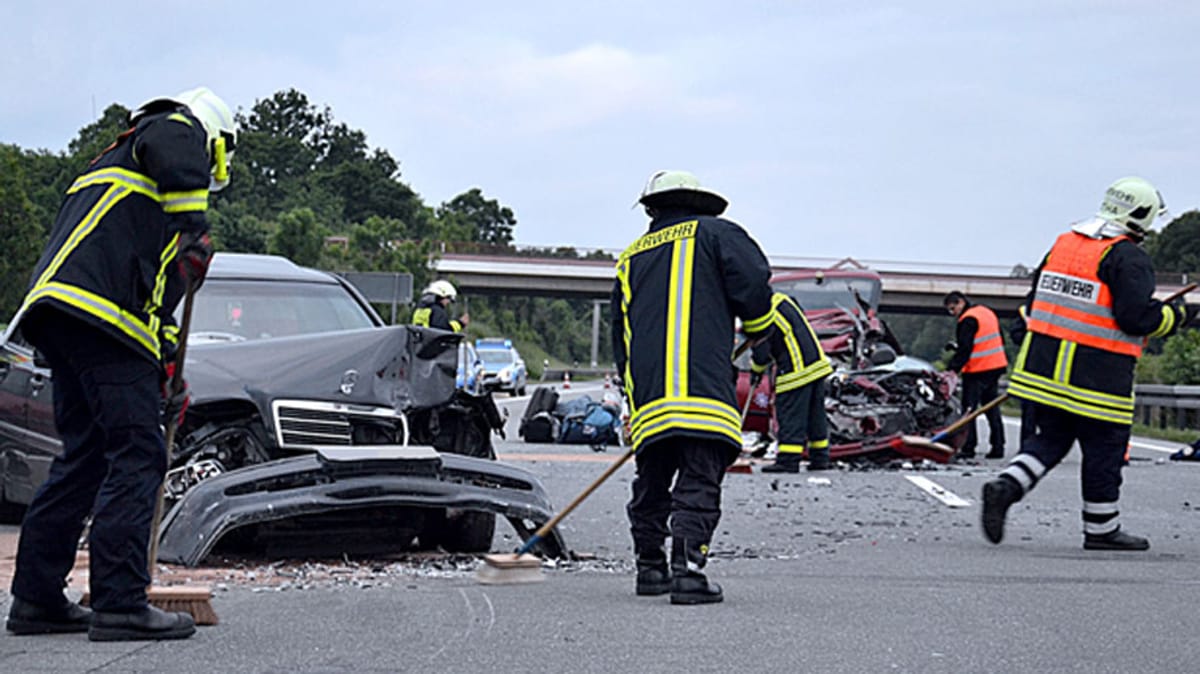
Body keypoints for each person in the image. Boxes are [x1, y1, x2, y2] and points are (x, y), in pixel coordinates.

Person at [5, 87, 235, 641]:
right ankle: (121, 603)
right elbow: (174, 136)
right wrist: (193, 226)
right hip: (96, 317)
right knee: (137, 454)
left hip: (68, 317)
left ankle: (35, 599)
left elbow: (156, 310)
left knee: (84, 459)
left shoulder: (140, 200)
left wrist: (169, 376)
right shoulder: (164, 128)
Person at [982, 177, 1186, 551]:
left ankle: (1007, 485)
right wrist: (1175, 317)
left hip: (1042, 372)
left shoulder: (1063, 245)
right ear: (1139, 216)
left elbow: (1034, 302)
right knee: (1105, 450)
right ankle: (1101, 528)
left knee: (1052, 440)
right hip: (1096, 379)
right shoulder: (1128, 257)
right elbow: (1135, 318)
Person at [613, 169, 774, 605]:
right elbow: (754, 285)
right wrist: (760, 332)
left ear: (652, 207)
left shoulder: (630, 258)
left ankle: (650, 568)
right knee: (699, 478)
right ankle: (688, 571)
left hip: (650, 396)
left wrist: (634, 403)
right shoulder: (718, 233)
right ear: (697, 200)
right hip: (702, 389)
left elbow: (621, 339)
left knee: (652, 479)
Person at [752, 292, 835, 472]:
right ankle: (820, 458)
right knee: (815, 416)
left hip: (796, 367)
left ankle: (788, 460)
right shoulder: (781, 299)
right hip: (816, 363)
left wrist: (755, 370)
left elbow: (761, 350)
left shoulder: (760, 310)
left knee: (790, 413)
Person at [943, 291, 1009, 459]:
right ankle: (998, 447)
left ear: (960, 302)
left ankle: (969, 447)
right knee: (991, 408)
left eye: (953, 309)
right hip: (995, 366)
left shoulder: (967, 320)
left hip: (978, 370)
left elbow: (966, 350)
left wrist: (952, 370)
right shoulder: (985, 312)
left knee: (969, 410)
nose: (953, 314)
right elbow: (987, 340)